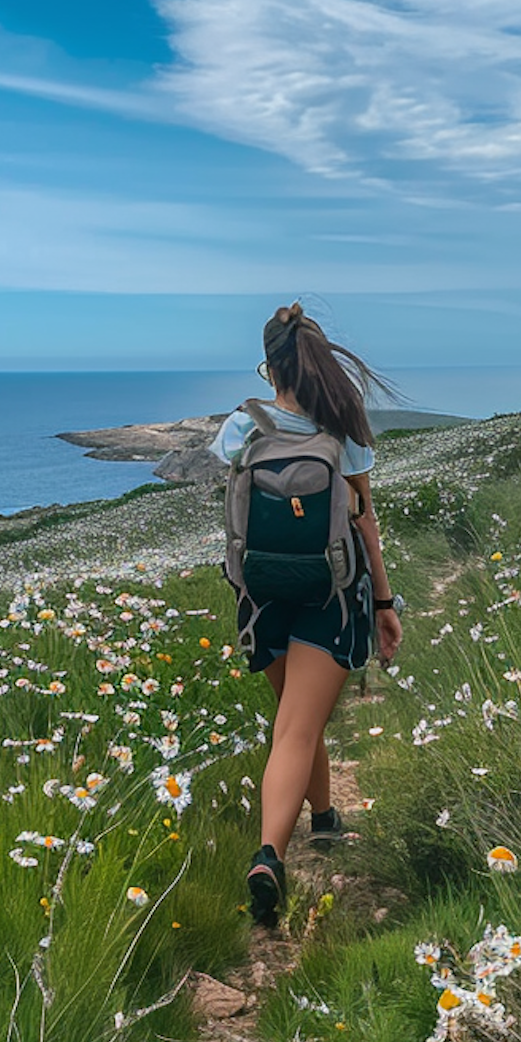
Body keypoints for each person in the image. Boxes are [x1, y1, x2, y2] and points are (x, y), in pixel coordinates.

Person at [211, 303, 403, 925]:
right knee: (298, 725)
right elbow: (365, 525)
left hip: (260, 593)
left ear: (270, 368)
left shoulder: (243, 426)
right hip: (330, 593)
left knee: (293, 720)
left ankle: (322, 818)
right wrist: (382, 603)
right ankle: (270, 855)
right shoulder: (341, 430)